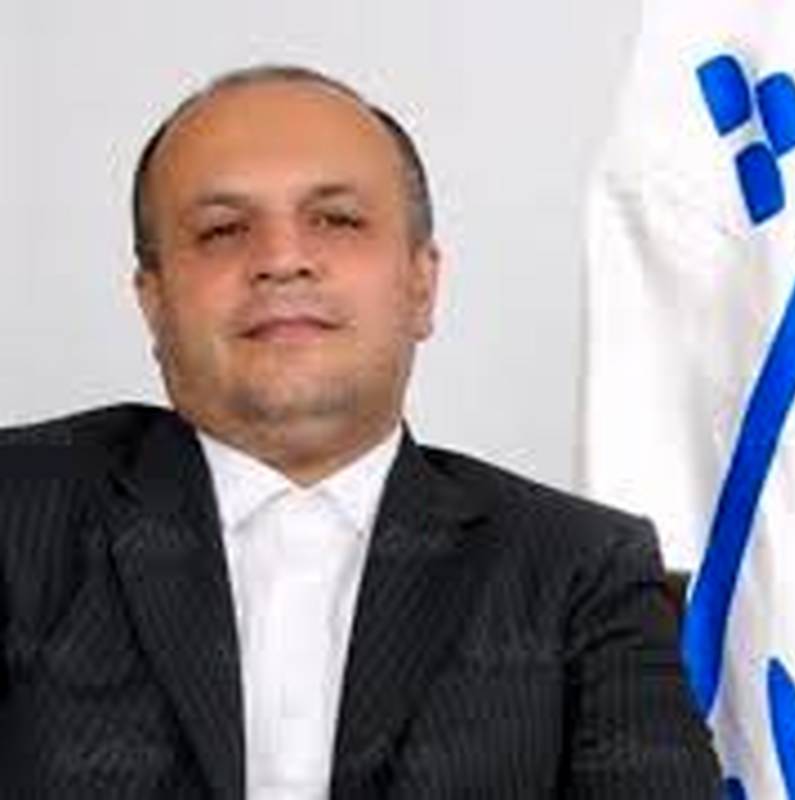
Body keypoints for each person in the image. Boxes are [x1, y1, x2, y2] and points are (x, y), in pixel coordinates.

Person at [0, 65, 720, 798]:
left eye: (337, 220)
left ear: (421, 284)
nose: (281, 260)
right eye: (222, 230)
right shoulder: (20, 513)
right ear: (153, 302)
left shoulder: (579, 569)